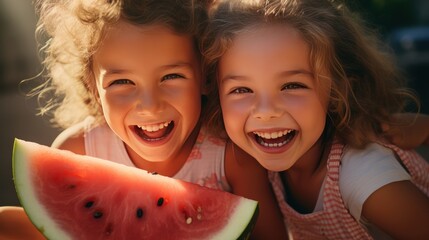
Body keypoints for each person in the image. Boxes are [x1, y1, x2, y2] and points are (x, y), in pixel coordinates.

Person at [0, 0, 287, 239]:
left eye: (171, 76)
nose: (150, 106)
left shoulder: (232, 156)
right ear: (92, 86)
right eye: (122, 81)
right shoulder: (77, 151)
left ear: (205, 76)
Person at [201, 0, 429, 239]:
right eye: (241, 90)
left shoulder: (363, 177)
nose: (266, 111)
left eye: (292, 86)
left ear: (336, 91)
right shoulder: (258, 161)